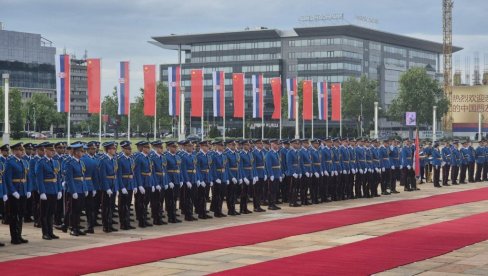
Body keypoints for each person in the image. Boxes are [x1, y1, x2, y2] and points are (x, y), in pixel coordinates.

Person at [5, 142, 30, 244]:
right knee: (14, 215)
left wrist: (28, 189)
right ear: (14, 151)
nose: (21, 151)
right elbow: (8, 179)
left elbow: (26, 177)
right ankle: (14, 237)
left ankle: (19, 235)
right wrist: (13, 191)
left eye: (22, 150)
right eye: (19, 150)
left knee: (21, 215)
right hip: (15, 191)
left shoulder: (23, 162)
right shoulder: (10, 162)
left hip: (23, 191)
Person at [64, 143, 87, 236]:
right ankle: (73, 228)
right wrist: (73, 191)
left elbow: (83, 176)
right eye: (81, 151)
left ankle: (77, 227)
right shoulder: (70, 163)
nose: (82, 153)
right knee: (73, 211)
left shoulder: (80, 162)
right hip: (75, 189)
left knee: (79, 210)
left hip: (81, 188)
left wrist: (85, 188)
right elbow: (69, 179)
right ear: (76, 152)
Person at [98, 141, 119, 233]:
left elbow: (115, 175)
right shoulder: (103, 160)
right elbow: (102, 176)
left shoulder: (113, 159)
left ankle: (110, 224)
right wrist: (107, 188)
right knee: (106, 207)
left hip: (113, 185)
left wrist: (116, 188)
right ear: (108, 150)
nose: (115, 150)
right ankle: (105, 225)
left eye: (115, 148)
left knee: (111, 206)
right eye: (113, 148)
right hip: (107, 186)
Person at [117, 141, 137, 229]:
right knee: (122, 205)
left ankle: (127, 222)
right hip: (124, 184)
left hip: (130, 184)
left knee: (128, 205)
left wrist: (135, 185)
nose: (130, 150)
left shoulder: (131, 159)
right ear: (124, 149)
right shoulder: (120, 159)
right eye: (128, 149)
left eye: (130, 149)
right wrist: (122, 187)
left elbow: (133, 173)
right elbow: (119, 175)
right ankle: (123, 223)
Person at [81, 142, 100, 233]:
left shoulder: (81, 160)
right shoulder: (91, 160)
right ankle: (90, 226)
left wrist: (95, 188)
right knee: (89, 208)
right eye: (92, 149)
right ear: (87, 150)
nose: (94, 150)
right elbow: (95, 176)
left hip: (82, 185)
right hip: (89, 185)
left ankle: (88, 226)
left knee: (79, 208)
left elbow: (95, 176)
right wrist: (94, 188)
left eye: (94, 148)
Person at [134, 141, 154, 228]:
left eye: (149, 148)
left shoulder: (148, 158)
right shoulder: (139, 158)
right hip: (142, 181)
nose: (149, 149)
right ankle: (141, 221)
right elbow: (137, 172)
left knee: (146, 202)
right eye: (147, 148)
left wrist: (152, 183)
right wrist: (139, 185)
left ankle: (145, 219)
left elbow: (151, 172)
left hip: (148, 181)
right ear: (143, 149)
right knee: (141, 202)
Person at [149, 140, 168, 225]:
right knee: (155, 201)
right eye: (160, 148)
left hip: (162, 181)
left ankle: (159, 217)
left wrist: (166, 182)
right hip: (156, 181)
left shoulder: (162, 157)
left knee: (161, 200)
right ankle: (156, 218)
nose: (162, 149)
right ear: (156, 148)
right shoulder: (152, 157)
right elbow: (152, 172)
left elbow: (165, 170)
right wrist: (155, 184)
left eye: (162, 148)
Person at [164, 141, 182, 223]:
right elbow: (165, 171)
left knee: (175, 199)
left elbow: (179, 169)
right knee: (170, 199)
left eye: (176, 147)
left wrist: (181, 180)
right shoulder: (166, 157)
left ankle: (174, 215)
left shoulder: (178, 157)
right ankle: (170, 216)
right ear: (169, 148)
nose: (175, 149)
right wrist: (168, 181)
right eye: (173, 147)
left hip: (177, 180)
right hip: (170, 180)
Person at [195, 141, 213, 219]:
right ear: (202, 146)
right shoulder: (198, 156)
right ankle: (201, 212)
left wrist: (211, 179)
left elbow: (210, 168)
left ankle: (204, 211)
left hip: (207, 177)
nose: (207, 147)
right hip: (202, 177)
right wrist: (200, 180)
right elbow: (197, 169)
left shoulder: (208, 155)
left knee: (205, 196)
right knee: (201, 196)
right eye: (205, 146)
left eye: (207, 146)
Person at [265, 139, 282, 210]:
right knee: (271, 190)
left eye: (278, 144)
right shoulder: (269, 153)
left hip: (277, 174)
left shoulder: (276, 153)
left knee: (275, 189)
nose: (277, 145)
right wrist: (271, 174)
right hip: (272, 175)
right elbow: (268, 165)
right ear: (272, 145)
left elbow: (279, 165)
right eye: (276, 144)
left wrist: (280, 174)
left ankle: (273, 203)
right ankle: (270, 204)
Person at [239, 140, 254, 214]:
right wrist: (244, 177)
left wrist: (252, 176)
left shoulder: (250, 154)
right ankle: (242, 208)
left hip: (250, 175)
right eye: (247, 145)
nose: (248, 146)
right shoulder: (241, 154)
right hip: (244, 175)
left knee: (247, 193)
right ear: (244, 145)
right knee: (243, 194)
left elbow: (252, 166)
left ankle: (245, 207)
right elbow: (240, 167)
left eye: (249, 145)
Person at [286, 139, 302, 207]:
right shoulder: (290, 152)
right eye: (296, 144)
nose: (297, 145)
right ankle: (291, 202)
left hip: (297, 171)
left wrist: (300, 172)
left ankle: (295, 201)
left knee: (296, 188)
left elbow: (298, 163)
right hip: (292, 173)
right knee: (292, 188)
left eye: (298, 144)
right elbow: (289, 164)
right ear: (292, 144)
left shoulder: (297, 152)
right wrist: (293, 173)